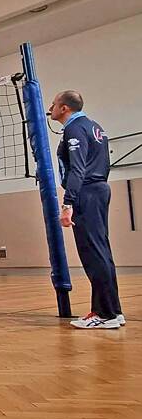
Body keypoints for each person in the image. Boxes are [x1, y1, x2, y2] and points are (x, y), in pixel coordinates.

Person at [49, 90, 125, 329]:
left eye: (53, 104)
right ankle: (112, 311)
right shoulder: (95, 127)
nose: (49, 108)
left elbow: (78, 169)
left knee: (93, 253)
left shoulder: (75, 128)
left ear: (64, 108)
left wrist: (68, 203)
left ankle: (106, 314)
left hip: (87, 192)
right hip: (99, 189)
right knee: (101, 252)